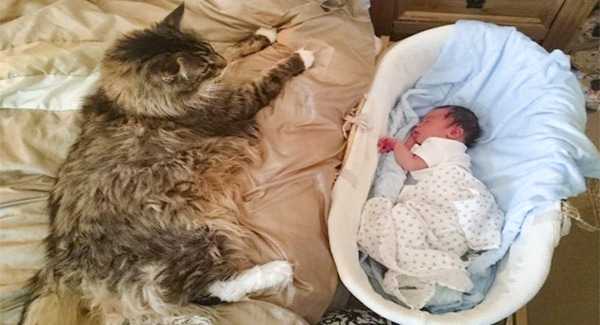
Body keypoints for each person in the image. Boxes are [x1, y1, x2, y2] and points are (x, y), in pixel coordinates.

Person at [357, 105, 503, 310]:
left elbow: (411, 163)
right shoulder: (448, 149)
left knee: (408, 218)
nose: (418, 124)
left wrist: (395, 145)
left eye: (427, 121)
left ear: (453, 132)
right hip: (454, 207)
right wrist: (411, 142)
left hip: (447, 194)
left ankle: (417, 256)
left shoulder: (440, 145)